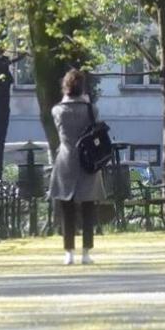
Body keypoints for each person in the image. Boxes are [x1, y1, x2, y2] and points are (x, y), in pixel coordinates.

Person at [49, 67, 106, 265]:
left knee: (67, 208)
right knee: (89, 207)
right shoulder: (92, 109)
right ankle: (86, 253)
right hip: (87, 160)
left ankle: (68, 252)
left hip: (66, 160)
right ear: (82, 88)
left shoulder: (57, 110)